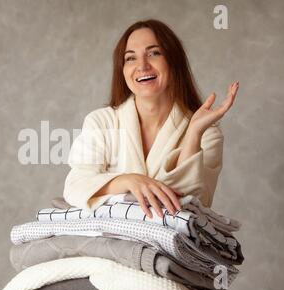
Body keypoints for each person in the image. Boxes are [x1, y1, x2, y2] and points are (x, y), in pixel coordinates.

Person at [63, 19, 239, 218]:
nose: (142, 66)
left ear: (174, 61)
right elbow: (75, 186)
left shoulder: (207, 133)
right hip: (110, 247)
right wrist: (129, 180)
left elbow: (192, 204)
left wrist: (193, 134)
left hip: (171, 248)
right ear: (122, 70)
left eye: (154, 53)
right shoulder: (101, 122)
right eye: (130, 58)